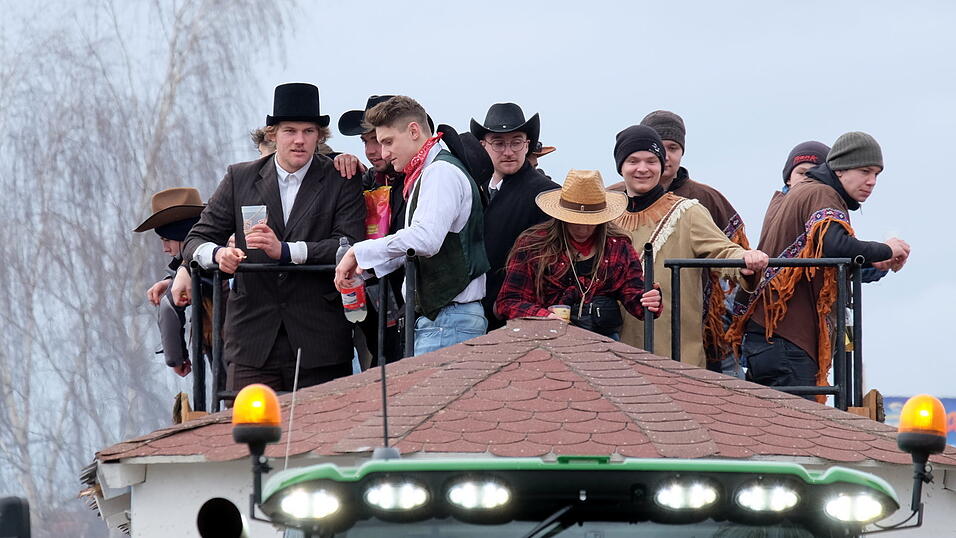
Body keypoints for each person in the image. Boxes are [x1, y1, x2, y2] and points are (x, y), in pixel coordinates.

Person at [180, 82, 365, 393]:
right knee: (249, 423)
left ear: (319, 136)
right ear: (272, 134)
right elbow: (195, 239)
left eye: (308, 131)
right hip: (251, 341)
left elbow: (348, 245)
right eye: (290, 131)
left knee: (319, 424)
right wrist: (217, 255)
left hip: (319, 341)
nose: (299, 140)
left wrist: (287, 251)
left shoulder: (341, 178)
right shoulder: (240, 177)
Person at [729, 132, 909, 397]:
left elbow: (824, 253)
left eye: (876, 174)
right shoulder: (822, 193)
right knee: (797, 422)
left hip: (767, 337)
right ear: (840, 169)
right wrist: (886, 249)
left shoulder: (796, 194)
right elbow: (835, 246)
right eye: (865, 171)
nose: (871, 181)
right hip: (788, 338)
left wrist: (874, 260)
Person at [334, 96, 489, 355]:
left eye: (388, 142)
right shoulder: (428, 171)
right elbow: (414, 248)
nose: (383, 153)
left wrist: (358, 252)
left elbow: (425, 239)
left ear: (414, 131)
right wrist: (365, 267)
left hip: (449, 319)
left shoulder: (440, 172)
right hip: (445, 319)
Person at [611, 125, 768, 368]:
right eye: (633, 161)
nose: (642, 168)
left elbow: (723, 251)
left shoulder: (688, 212)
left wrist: (746, 260)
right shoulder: (606, 215)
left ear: (661, 165)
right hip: (614, 351)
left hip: (674, 352)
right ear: (621, 166)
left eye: (651, 161)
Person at [495, 169, 662, 336]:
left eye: (591, 221)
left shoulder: (618, 247)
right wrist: (545, 317)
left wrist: (649, 300)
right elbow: (508, 301)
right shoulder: (533, 245)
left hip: (601, 338)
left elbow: (636, 301)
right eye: (574, 220)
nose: (583, 228)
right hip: (542, 336)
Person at [470, 102, 559, 330]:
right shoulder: (475, 189)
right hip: (478, 317)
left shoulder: (547, 194)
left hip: (525, 319)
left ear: (527, 145)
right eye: (499, 143)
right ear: (483, 146)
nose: (508, 152)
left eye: (516, 142)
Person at [338, 94, 407, 365]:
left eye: (379, 140)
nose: (371, 150)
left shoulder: (420, 179)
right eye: (365, 141)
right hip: (373, 308)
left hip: (412, 307)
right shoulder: (367, 180)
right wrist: (337, 160)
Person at [135, 188, 206, 377]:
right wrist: (170, 281)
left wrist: (176, 359)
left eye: (167, 240)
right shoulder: (217, 249)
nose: (164, 249)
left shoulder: (199, 263)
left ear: (184, 234)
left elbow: (168, 307)